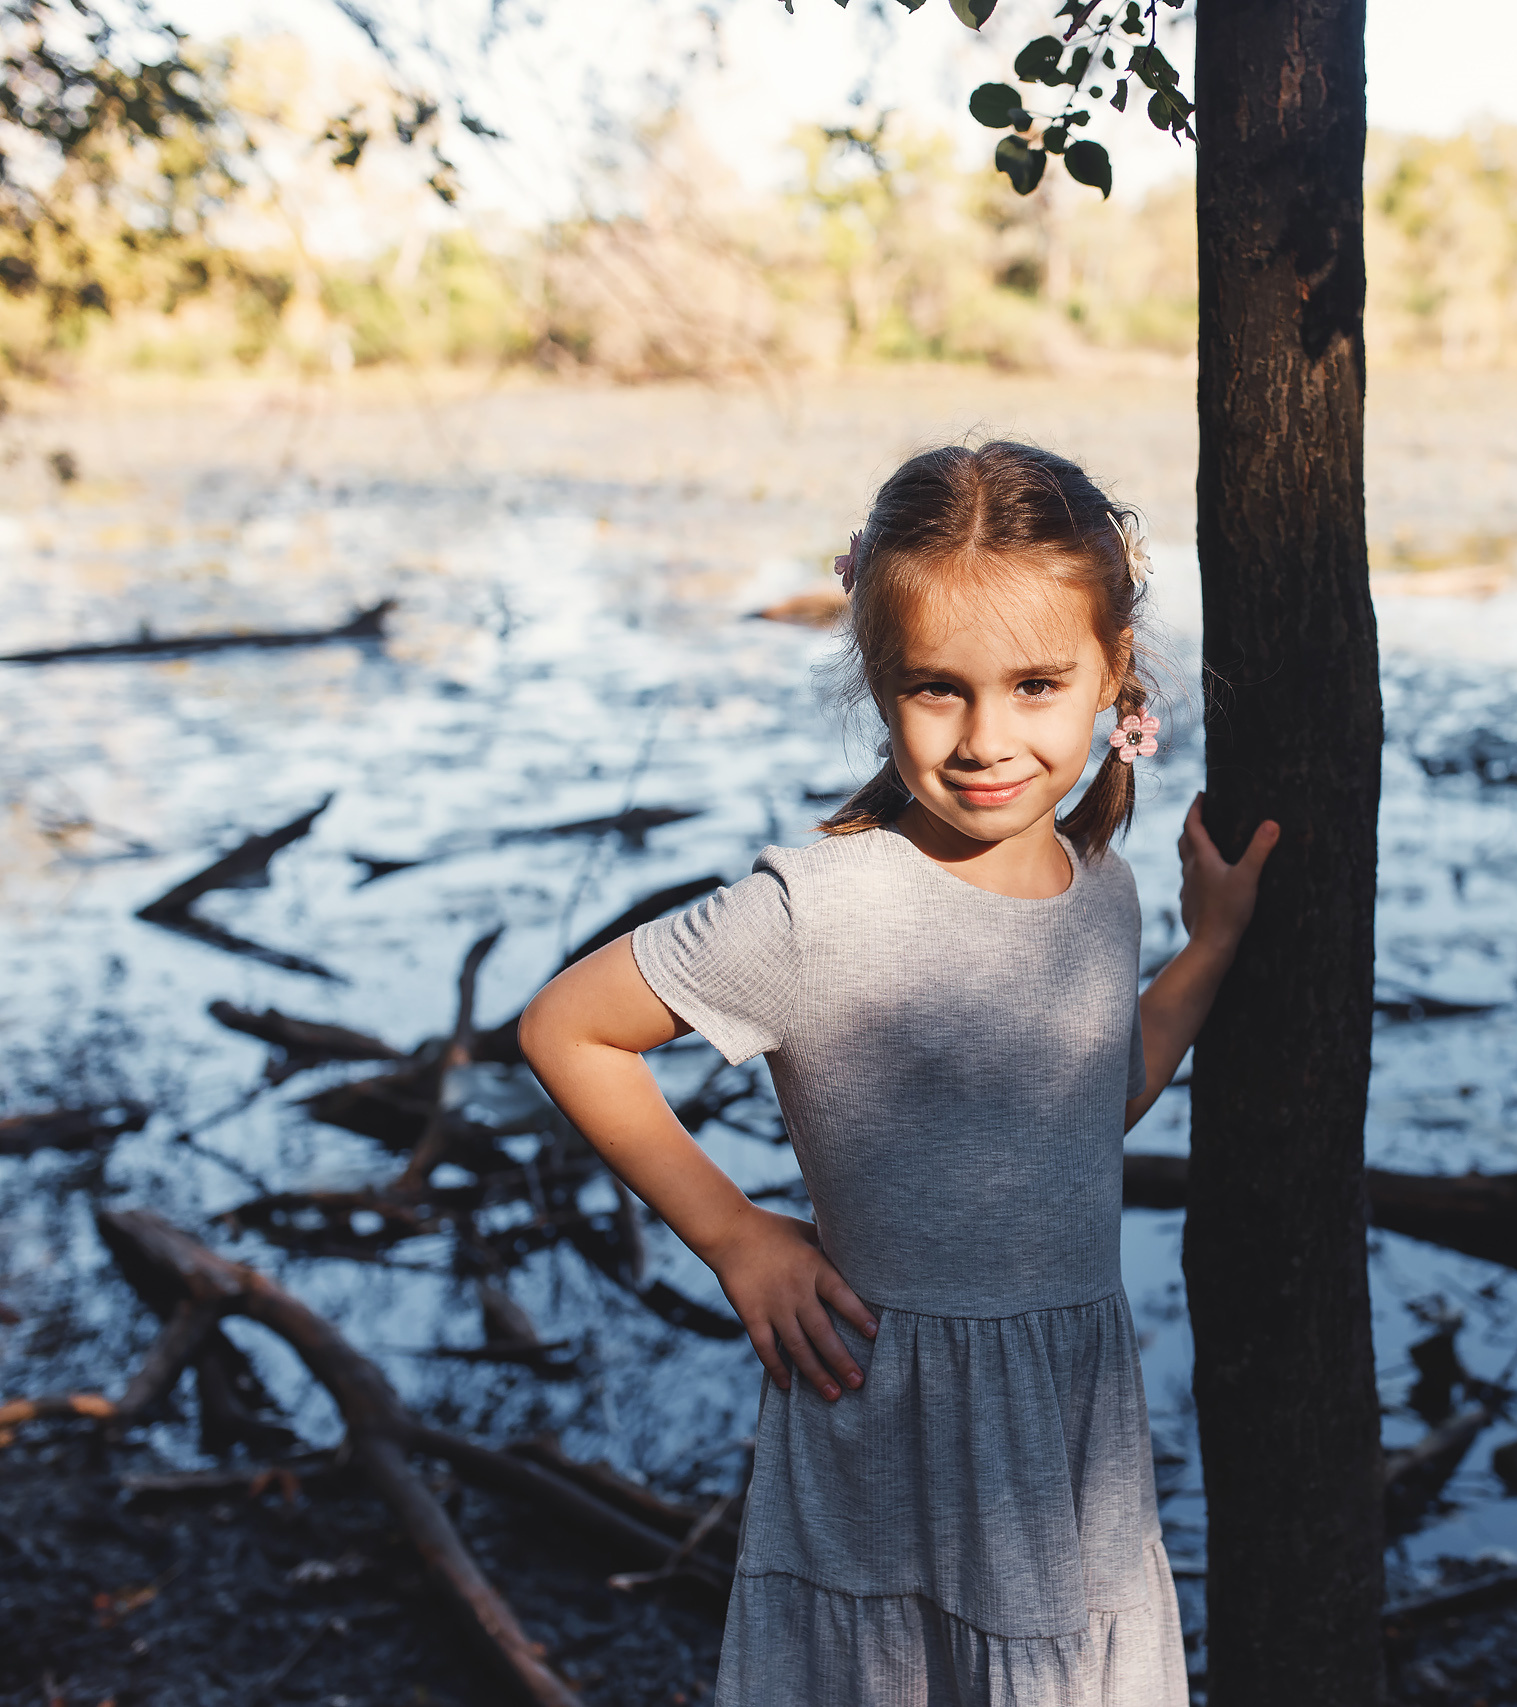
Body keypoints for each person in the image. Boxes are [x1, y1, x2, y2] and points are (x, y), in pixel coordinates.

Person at [519, 440, 1279, 1706]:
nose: (988, 738)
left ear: (1113, 675)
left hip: (1064, 1438)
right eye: (938, 689)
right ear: (877, 680)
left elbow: (1093, 1103)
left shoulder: (1103, 892)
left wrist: (1209, 948)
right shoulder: (823, 908)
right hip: (883, 1420)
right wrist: (736, 1238)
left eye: (1038, 684)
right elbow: (565, 1027)